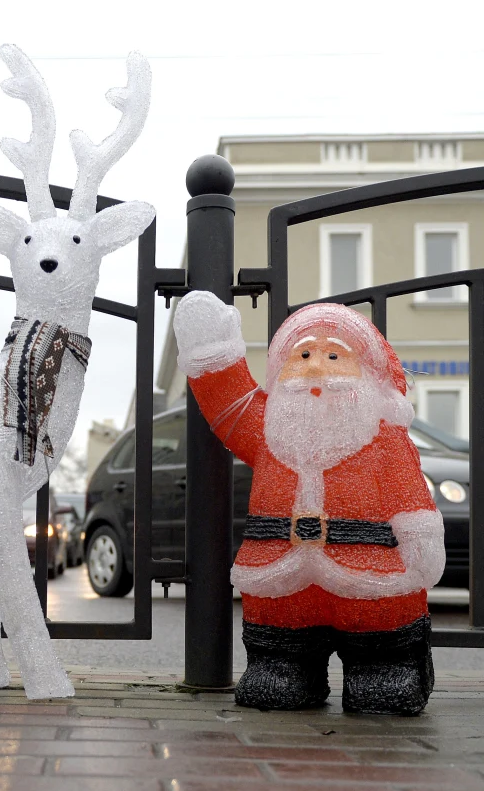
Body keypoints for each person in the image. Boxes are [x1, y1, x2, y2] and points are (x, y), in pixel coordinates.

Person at [174, 293, 443, 714]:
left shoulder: (386, 437)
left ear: (369, 374)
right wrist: (212, 348)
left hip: (372, 578)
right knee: (279, 669)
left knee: (383, 674)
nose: (316, 367)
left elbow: (408, 494)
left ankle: (385, 668)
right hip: (279, 581)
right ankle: (282, 666)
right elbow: (227, 402)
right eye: (302, 354)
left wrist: (421, 540)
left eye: (335, 356)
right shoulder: (266, 426)